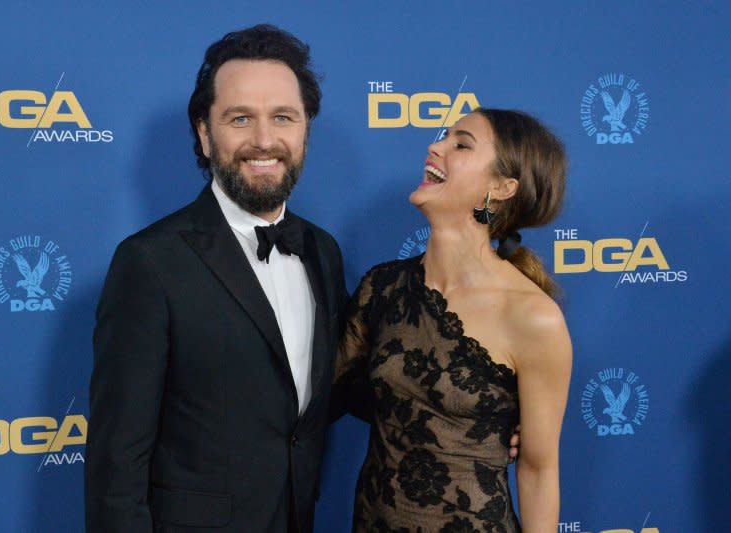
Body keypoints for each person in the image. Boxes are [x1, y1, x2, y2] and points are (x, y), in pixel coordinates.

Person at [84, 25, 347, 533]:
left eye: (283, 118)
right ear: (205, 134)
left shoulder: (323, 251)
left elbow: (337, 387)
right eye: (240, 118)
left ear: (304, 130)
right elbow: (118, 463)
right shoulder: (149, 262)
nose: (264, 140)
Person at [334, 108, 572, 532]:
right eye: (444, 136)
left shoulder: (534, 317)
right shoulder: (383, 288)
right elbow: (321, 392)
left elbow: (538, 471)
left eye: (460, 144)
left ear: (502, 187)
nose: (435, 146)